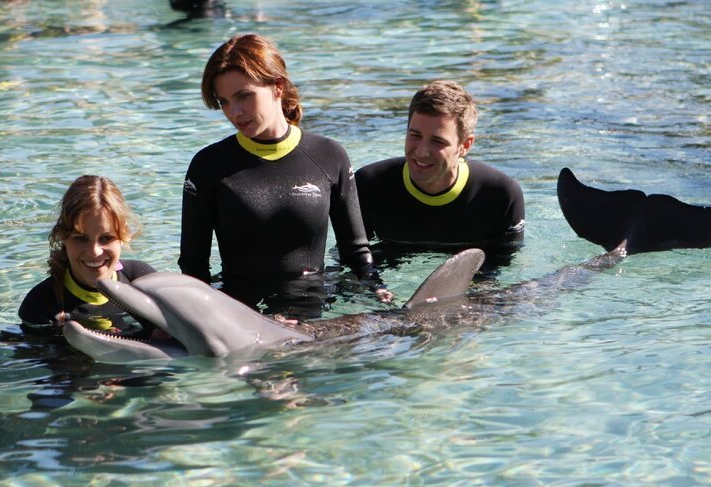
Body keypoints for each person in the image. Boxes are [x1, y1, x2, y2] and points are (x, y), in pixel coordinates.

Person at [179, 33, 378, 316]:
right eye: (223, 101)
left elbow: (357, 254)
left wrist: (378, 294)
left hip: (314, 313)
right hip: (241, 316)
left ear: (277, 87)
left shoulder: (329, 155)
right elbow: (194, 268)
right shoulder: (208, 165)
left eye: (244, 96)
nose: (234, 112)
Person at [355, 80, 525, 264]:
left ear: (465, 145)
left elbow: (503, 270)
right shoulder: (369, 185)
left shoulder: (500, 196)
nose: (421, 151)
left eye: (438, 141)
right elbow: (353, 259)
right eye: (415, 135)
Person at [18, 175, 157, 337]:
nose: (94, 252)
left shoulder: (142, 282)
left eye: (106, 238)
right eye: (81, 238)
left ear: (123, 235)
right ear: (63, 238)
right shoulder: (41, 305)